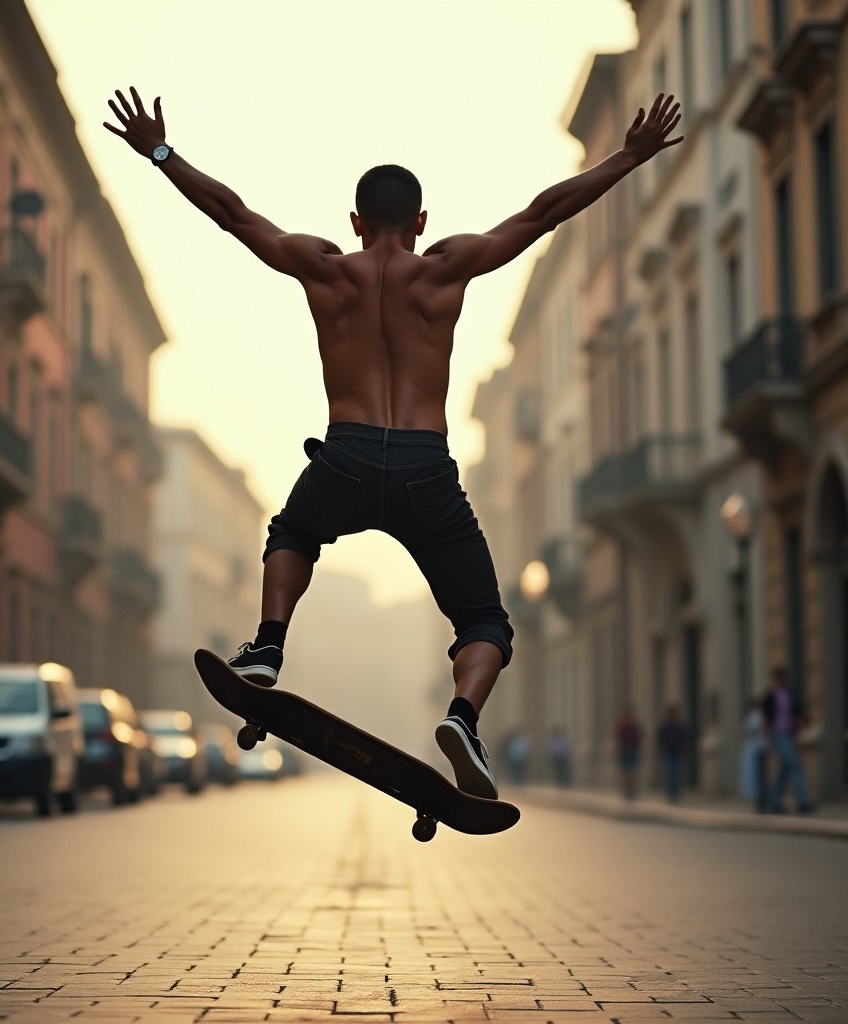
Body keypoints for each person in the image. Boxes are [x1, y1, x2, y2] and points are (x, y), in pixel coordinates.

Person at [104, 86, 683, 799]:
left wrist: (161, 153)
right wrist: (627, 157)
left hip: (344, 457)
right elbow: (543, 213)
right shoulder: (445, 267)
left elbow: (233, 215)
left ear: (353, 221)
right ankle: (464, 719)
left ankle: (267, 648)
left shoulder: (324, 266)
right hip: (423, 468)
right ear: (420, 221)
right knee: (484, 622)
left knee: (291, 532)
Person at [762, 667, 814, 814]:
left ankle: (773, 802)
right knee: (795, 765)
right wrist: (766, 738)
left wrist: (804, 719)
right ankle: (803, 801)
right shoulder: (771, 696)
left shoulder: (791, 694)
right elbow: (766, 719)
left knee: (784, 770)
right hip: (778, 735)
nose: (781, 680)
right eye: (779, 678)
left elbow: (799, 709)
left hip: (790, 735)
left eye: (783, 678)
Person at [739, 696, 767, 812]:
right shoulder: (755, 717)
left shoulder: (754, 717)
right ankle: (759, 801)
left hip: (757, 748)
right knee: (758, 776)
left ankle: (760, 801)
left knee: (758, 776)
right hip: (757, 748)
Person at [656, 704, 688, 803]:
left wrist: (684, 750)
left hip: (676, 752)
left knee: (676, 773)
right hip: (668, 753)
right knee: (670, 772)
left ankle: (675, 792)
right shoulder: (665, 726)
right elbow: (660, 739)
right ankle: (670, 792)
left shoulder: (679, 726)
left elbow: (683, 739)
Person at [615, 707, 643, 801]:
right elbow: (618, 738)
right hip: (626, 750)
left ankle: (630, 790)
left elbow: (639, 737)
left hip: (631, 750)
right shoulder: (624, 726)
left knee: (630, 771)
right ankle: (628, 790)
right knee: (627, 772)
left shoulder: (632, 726)